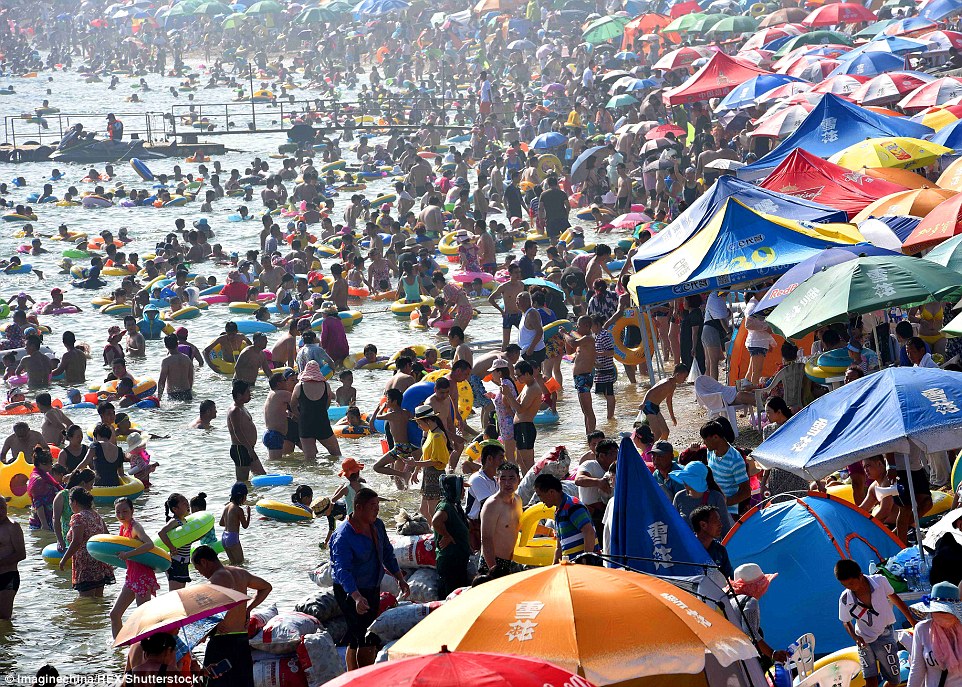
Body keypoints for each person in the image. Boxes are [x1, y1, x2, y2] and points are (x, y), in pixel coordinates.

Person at [329, 488, 410, 670]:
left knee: (358, 638)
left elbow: (387, 553)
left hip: (371, 587)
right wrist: (356, 597)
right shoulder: (343, 535)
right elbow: (343, 570)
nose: (377, 510)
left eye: (378, 505)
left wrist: (399, 578)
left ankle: (353, 676)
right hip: (350, 590)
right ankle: (365, 678)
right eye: (372, 506)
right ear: (358, 508)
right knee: (367, 638)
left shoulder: (377, 525)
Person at [191, 544, 273, 687]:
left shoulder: (214, 580)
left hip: (222, 642)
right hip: (242, 638)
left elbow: (210, 612)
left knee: (213, 683)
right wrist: (248, 609)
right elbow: (266, 587)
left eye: (199, 570)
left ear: (204, 562)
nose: (201, 574)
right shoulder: (241, 573)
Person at [836, 558, 917, 687]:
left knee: (894, 680)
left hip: (885, 636)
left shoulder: (880, 581)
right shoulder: (846, 598)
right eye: (845, 585)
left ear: (860, 576)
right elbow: (846, 622)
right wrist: (856, 637)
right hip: (864, 640)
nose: (849, 587)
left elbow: (896, 599)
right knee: (870, 679)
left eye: (851, 583)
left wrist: (912, 620)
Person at [109, 497, 160, 638]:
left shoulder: (136, 527)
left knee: (144, 616)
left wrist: (128, 554)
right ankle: (118, 650)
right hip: (131, 576)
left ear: (132, 511)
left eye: (125, 511)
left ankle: (147, 649)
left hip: (142, 575)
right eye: (117, 512)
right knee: (114, 614)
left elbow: (149, 544)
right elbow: (122, 553)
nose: (121, 515)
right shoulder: (122, 527)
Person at [729, 563, 787, 669]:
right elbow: (751, 634)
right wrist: (773, 654)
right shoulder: (750, 602)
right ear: (758, 586)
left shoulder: (730, 600)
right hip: (749, 661)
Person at [59, 486, 115, 597]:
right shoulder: (96, 515)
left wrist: (63, 560)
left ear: (74, 502)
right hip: (99, 560)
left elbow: (77, 542)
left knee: (86, 603)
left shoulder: (78, 517)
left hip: (85, 564)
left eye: (70, 502)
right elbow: (107, 535)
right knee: (99, 601)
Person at [534, 473, 597, 564]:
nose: (541, 500)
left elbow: (589, 532)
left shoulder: (572, 506)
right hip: (570, 565)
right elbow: (559, 547)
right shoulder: (558, 512)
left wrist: (585, 560)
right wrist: (554, 567)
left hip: (585, 566)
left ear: (551, 492)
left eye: (540, 496)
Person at [907, 582, 962, 687]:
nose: (941, 613)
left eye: (946, 611)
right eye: (938, 609)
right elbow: (917, 669)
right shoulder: (922, 629)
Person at [478, 462, 523, 580]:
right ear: (497, 480)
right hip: (493, 562)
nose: (507, 483)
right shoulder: (492, 505)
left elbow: (520, 525)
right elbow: (486, 539)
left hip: (512, 560)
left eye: (511, 478)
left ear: (519, 479)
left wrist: (548, 532)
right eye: (503, 479)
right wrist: (493, 568)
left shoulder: (517, 500)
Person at [290, 360, 341, 460]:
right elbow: (327, 405)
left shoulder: (299, 386)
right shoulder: (326, 386)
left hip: (305, 424)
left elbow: (293, 405)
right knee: (336, 454)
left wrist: (300, 417)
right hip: (322, 422)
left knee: (310, 459)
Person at [701, 420, 750, 517]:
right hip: (713, 506)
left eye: (705, 439)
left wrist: (724, 502)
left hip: (730, 512)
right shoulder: (710, 451)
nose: (703, 442)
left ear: (716, 437)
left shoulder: (735, 459)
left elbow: (746, 492)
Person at [671, 460, 734, 536]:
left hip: (711, 547)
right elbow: (673, 524)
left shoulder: (716, 497)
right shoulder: (679, 497)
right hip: (687, 547)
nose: (684, 480)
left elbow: (725, 527)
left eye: (688, 478)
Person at [433, 473, 470, 598]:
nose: (464, 492)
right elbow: (436, 521)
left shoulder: (455, 505)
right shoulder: (446, 506)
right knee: (451, 597)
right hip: (450, 561)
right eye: (462, 489)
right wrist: (447, 536)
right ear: (454, 489)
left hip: (458, 560)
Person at [411, 405, 452, 518]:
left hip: (435, 474)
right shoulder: (431, 433)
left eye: (419, 423)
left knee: (432, 511)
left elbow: (437, 461)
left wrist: (415, 464)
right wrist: (416, 470)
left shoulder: (437, 436)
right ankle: (431, 532)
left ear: (428, 420)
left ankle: (437, 533)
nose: (419, 427)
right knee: (424, 510)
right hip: (428, 474)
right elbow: (425, 455)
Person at [501, 361, 542, 473]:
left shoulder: (533, 388)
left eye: (519, 375)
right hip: (520, 427)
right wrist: (505, 394)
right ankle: (526, 484)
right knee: (520, 460)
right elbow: (514, 403)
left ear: (527, 374)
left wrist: (508, 394)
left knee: (527, 461)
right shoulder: (527, 387)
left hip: (525, 427)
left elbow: (520, 409)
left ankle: (533, 485)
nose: (517, 378)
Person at [575, 438, 617, 538]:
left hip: (608, 512)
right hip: (592, 514)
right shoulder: (590, 465)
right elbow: (578, 480)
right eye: (613, 453)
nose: (617, 456)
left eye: (617, 452)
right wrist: (598, 482)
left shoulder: (615, 468)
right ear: (602, 456)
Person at [467, 442, 504, 552]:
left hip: (490, 522)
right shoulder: (477, 479)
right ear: (489, 459)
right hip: (476, 526)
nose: (503, 463)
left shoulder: (495, 480)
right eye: (501, 459)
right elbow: (489, 505)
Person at [227, 380, 264, 482]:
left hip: (247, 448)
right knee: (242, 482)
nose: (250, 394)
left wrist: (250, 449)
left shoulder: (241, 407)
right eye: (247, 392)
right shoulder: (235, 410)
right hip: (241, 450)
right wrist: (249, 450)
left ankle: (255, 497)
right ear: (239, 395)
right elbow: (237, 431)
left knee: (262, 476)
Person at [641, 364, 688, 441]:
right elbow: (650, 391)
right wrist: (643, 403)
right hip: (648, 405)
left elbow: (668, 401)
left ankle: (661, 449)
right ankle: (648, 451)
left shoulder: (673, 385)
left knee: (665, 432)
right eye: (684, 377)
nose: (684, 380)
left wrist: (672, 416)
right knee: (657, 433)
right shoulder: (667, 383)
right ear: (677, 375)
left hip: (655, 407)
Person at [158, 493, 193, 591]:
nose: (187, 504)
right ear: (175, 509)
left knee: (182, 593)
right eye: (183, 503)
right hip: (176, 562)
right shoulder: (175, 521)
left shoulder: (185, 521)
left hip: (184, 562)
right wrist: (172, 548)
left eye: (187, 502)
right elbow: (161, 533)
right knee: (175, 594)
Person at [691, 505, 734, 579]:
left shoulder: (720, 550)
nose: (720, 525)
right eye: (716, 521)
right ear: (703, 525)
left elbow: (729, 578)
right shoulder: (686, 548)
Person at [0, 496, 25, 620]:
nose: (1, 512)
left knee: (4, 617)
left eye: (3, 508)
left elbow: (21, 554)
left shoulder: (12, 526)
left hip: (8, 576)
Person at [220, 482, 250, 564]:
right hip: (233, 537)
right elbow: (245, 526)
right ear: (242, 497)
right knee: (241, 563)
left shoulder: (227, 506)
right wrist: (249, 514)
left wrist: (230, 523)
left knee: (233, 564)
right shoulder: (238, 510)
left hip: (224, 537)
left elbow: (221, 523)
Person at [157, 333, 194, 401]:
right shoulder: (186, 358)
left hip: (173, 394)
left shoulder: (166, 361)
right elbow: (191, 378)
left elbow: (162, 381)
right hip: (187, 393)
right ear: (177, 343)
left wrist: (159, 398)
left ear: (166, 346)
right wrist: (190, 390)